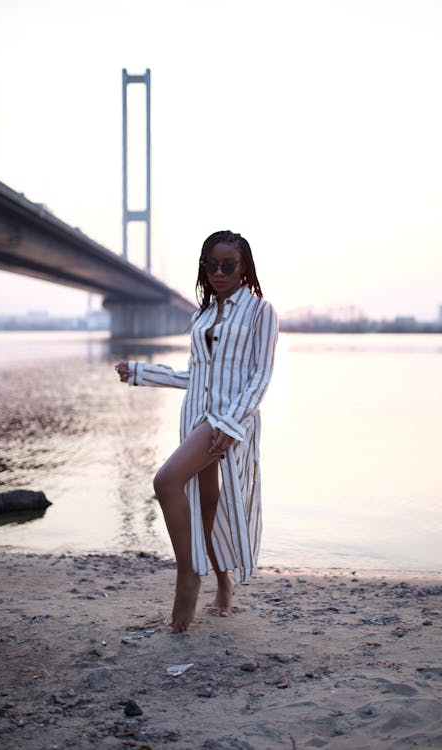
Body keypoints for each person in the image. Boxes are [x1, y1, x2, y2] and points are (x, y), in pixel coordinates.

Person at [115, 230, 278, 632]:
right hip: (196, 418)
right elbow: (197, 376)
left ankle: (188, 574)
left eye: (229, 265)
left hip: (227, 421)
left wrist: (230, 422)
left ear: (244, 269)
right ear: (204, 268)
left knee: (166, 481)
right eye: (212, 264)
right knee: (206, 505)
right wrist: (141, 372)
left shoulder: (260, 311)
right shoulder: (201, 315)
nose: (219, 272)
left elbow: (261, 377)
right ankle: (223, 584)